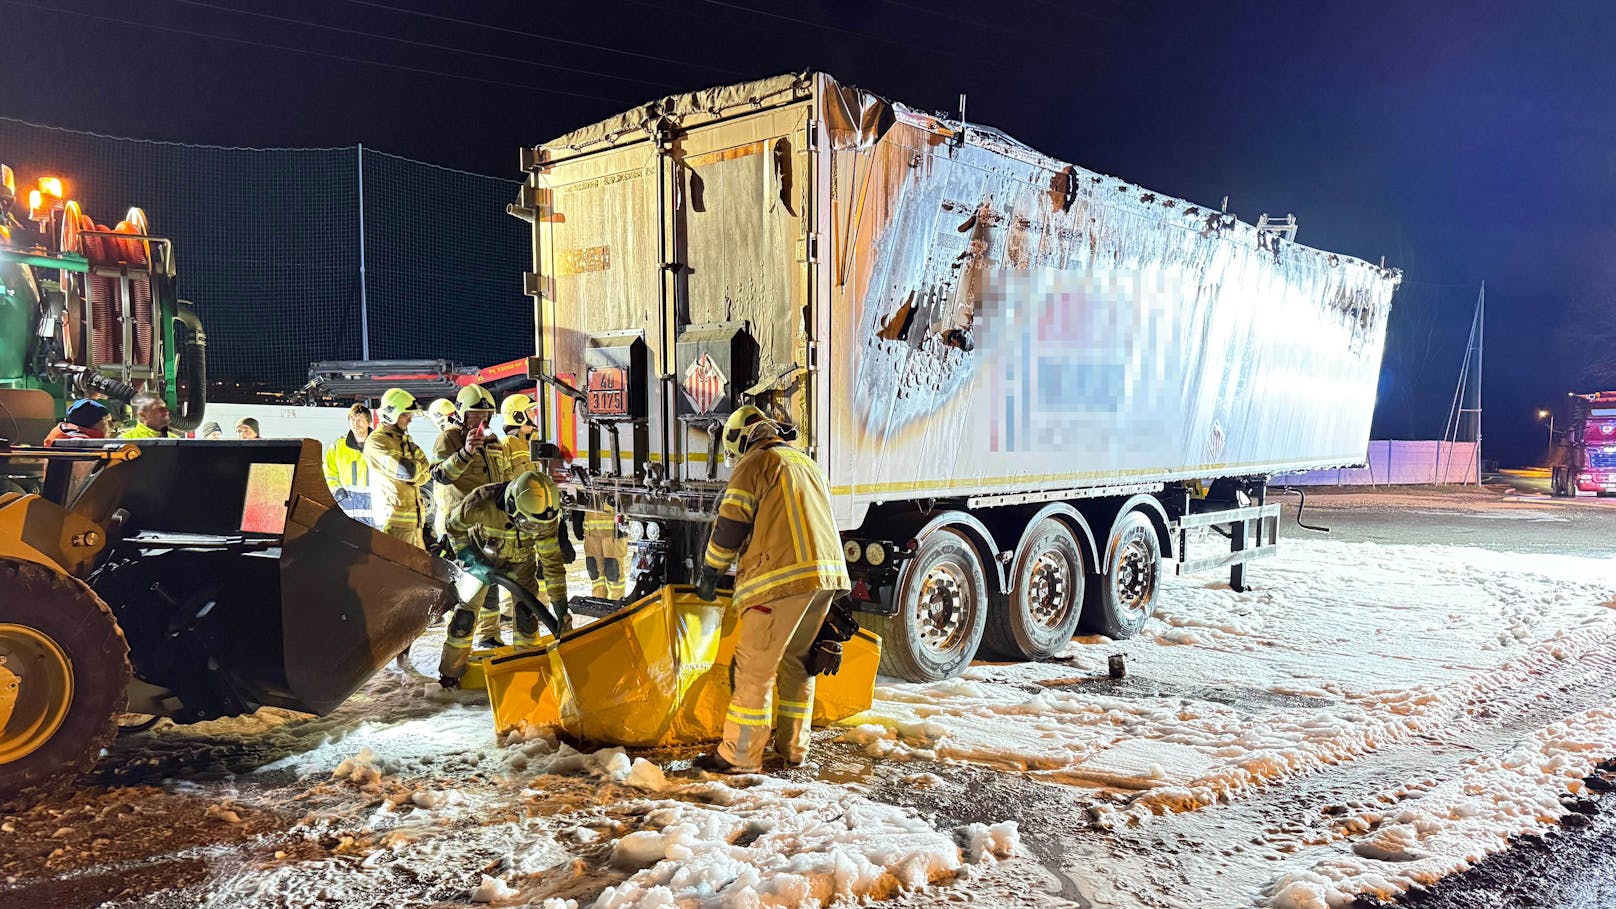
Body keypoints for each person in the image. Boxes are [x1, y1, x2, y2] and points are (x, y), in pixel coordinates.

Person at [693, 405, 850, 773]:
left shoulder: (756, 463)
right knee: (797, 664)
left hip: (778, 582)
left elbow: (731, 523)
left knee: (754, 671)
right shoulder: (807, 463)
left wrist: (711, 571)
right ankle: (794, 749)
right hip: (824, 580)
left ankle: (739, 756)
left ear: (739, 440)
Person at [437, 471, 571, 688]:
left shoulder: (543, 519)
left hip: (521, 564)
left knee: (526, 618)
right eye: (528, 524)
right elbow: (453, 527)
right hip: (480, 561)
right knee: (464, 619)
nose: (534, 531)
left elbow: (552, 566)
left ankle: (528, 671)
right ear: (511, 505)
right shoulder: (480, 502)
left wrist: (561, 609)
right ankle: (450, 675)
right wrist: (469, 558)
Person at [363, 387, 431, 546]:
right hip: (392, 526)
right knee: (395, 571)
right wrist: (415, 473)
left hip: (414, 524)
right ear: (392, 413)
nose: (410, 420)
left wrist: (415, 473)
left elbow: (426, 469)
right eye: (406, 415)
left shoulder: (405, 440)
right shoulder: (377, 442)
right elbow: (408, 472)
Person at [323, 403, 374, 526]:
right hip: (348, 507)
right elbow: (329, 473)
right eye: (353, 420)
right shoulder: (338, 446)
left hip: (375, 508)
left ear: (369, 422)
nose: (356, 424)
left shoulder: (380, 446)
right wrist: (338, 492)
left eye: (360, 420)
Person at [498, 393, 537, 476]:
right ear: (518, 416)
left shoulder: (536, 439)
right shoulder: (507, 443)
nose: (534, 414)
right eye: (529, 410)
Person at [44, 398, 109, 445]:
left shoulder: (65, 434)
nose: (110, 426)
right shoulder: (79, 443)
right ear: (93, 424)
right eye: (106, 422)